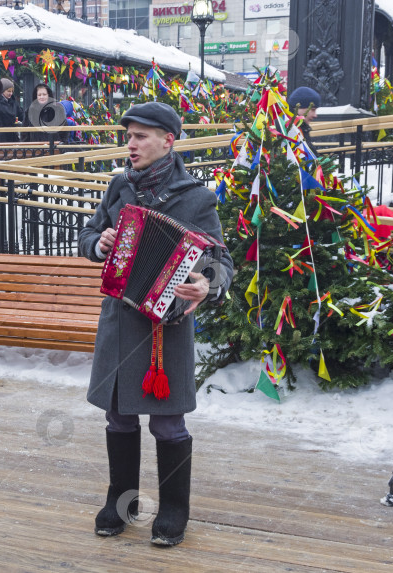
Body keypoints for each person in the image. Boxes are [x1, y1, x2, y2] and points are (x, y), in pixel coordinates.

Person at [78, 102, 233, 547]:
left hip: (166, 329)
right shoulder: (118, 188)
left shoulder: (196, 198)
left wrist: (207, 284)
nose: (131, 144)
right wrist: (99, 242)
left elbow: (220, 262)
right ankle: (120, 501)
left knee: (167, 425)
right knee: (118, 416)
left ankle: (174, 509)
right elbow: (87, 236)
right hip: (119, 322)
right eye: (129, 135)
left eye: (141, 136)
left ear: (169, 140)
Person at [287, 86, 321, 154]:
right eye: (313, 110)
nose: (315, 115)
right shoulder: (287, 128)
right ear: (299, 107)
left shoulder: (301, 126)